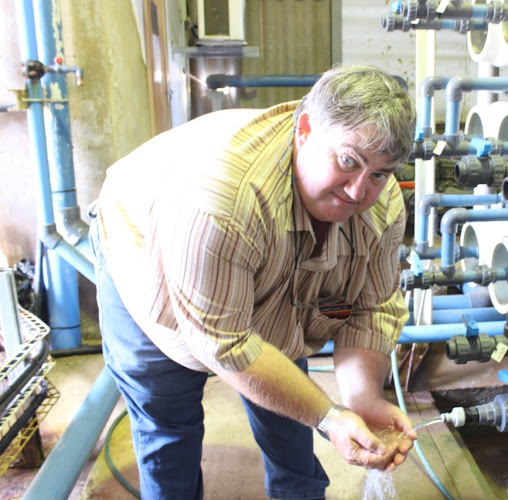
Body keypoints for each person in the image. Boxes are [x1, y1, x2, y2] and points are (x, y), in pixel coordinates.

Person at [89, 64, 417, 500]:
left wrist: (359, 399)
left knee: (292, 395)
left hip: (246, 240)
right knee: (167, 416)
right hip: (144, 242)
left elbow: (372, 307)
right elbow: (224, 344)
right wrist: (329, 417)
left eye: (378, 173)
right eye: (348, 162)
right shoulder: (220, 200)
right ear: (305, 130)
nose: (359, 192)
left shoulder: (381, 200)